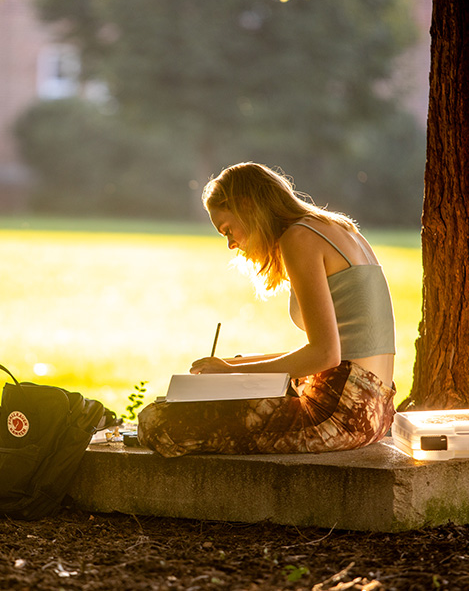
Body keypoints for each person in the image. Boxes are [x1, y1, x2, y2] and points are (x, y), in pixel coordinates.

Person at [137, 162, 396, 457]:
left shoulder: (299, 237)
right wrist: (231, 366)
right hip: (376, 410)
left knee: (157, 422)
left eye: (227, 230)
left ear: (248, 207)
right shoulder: (340, 229)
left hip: (339, 415)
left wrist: (232, 373)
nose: (231, 245)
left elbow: (325, 355)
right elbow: (335, 351)